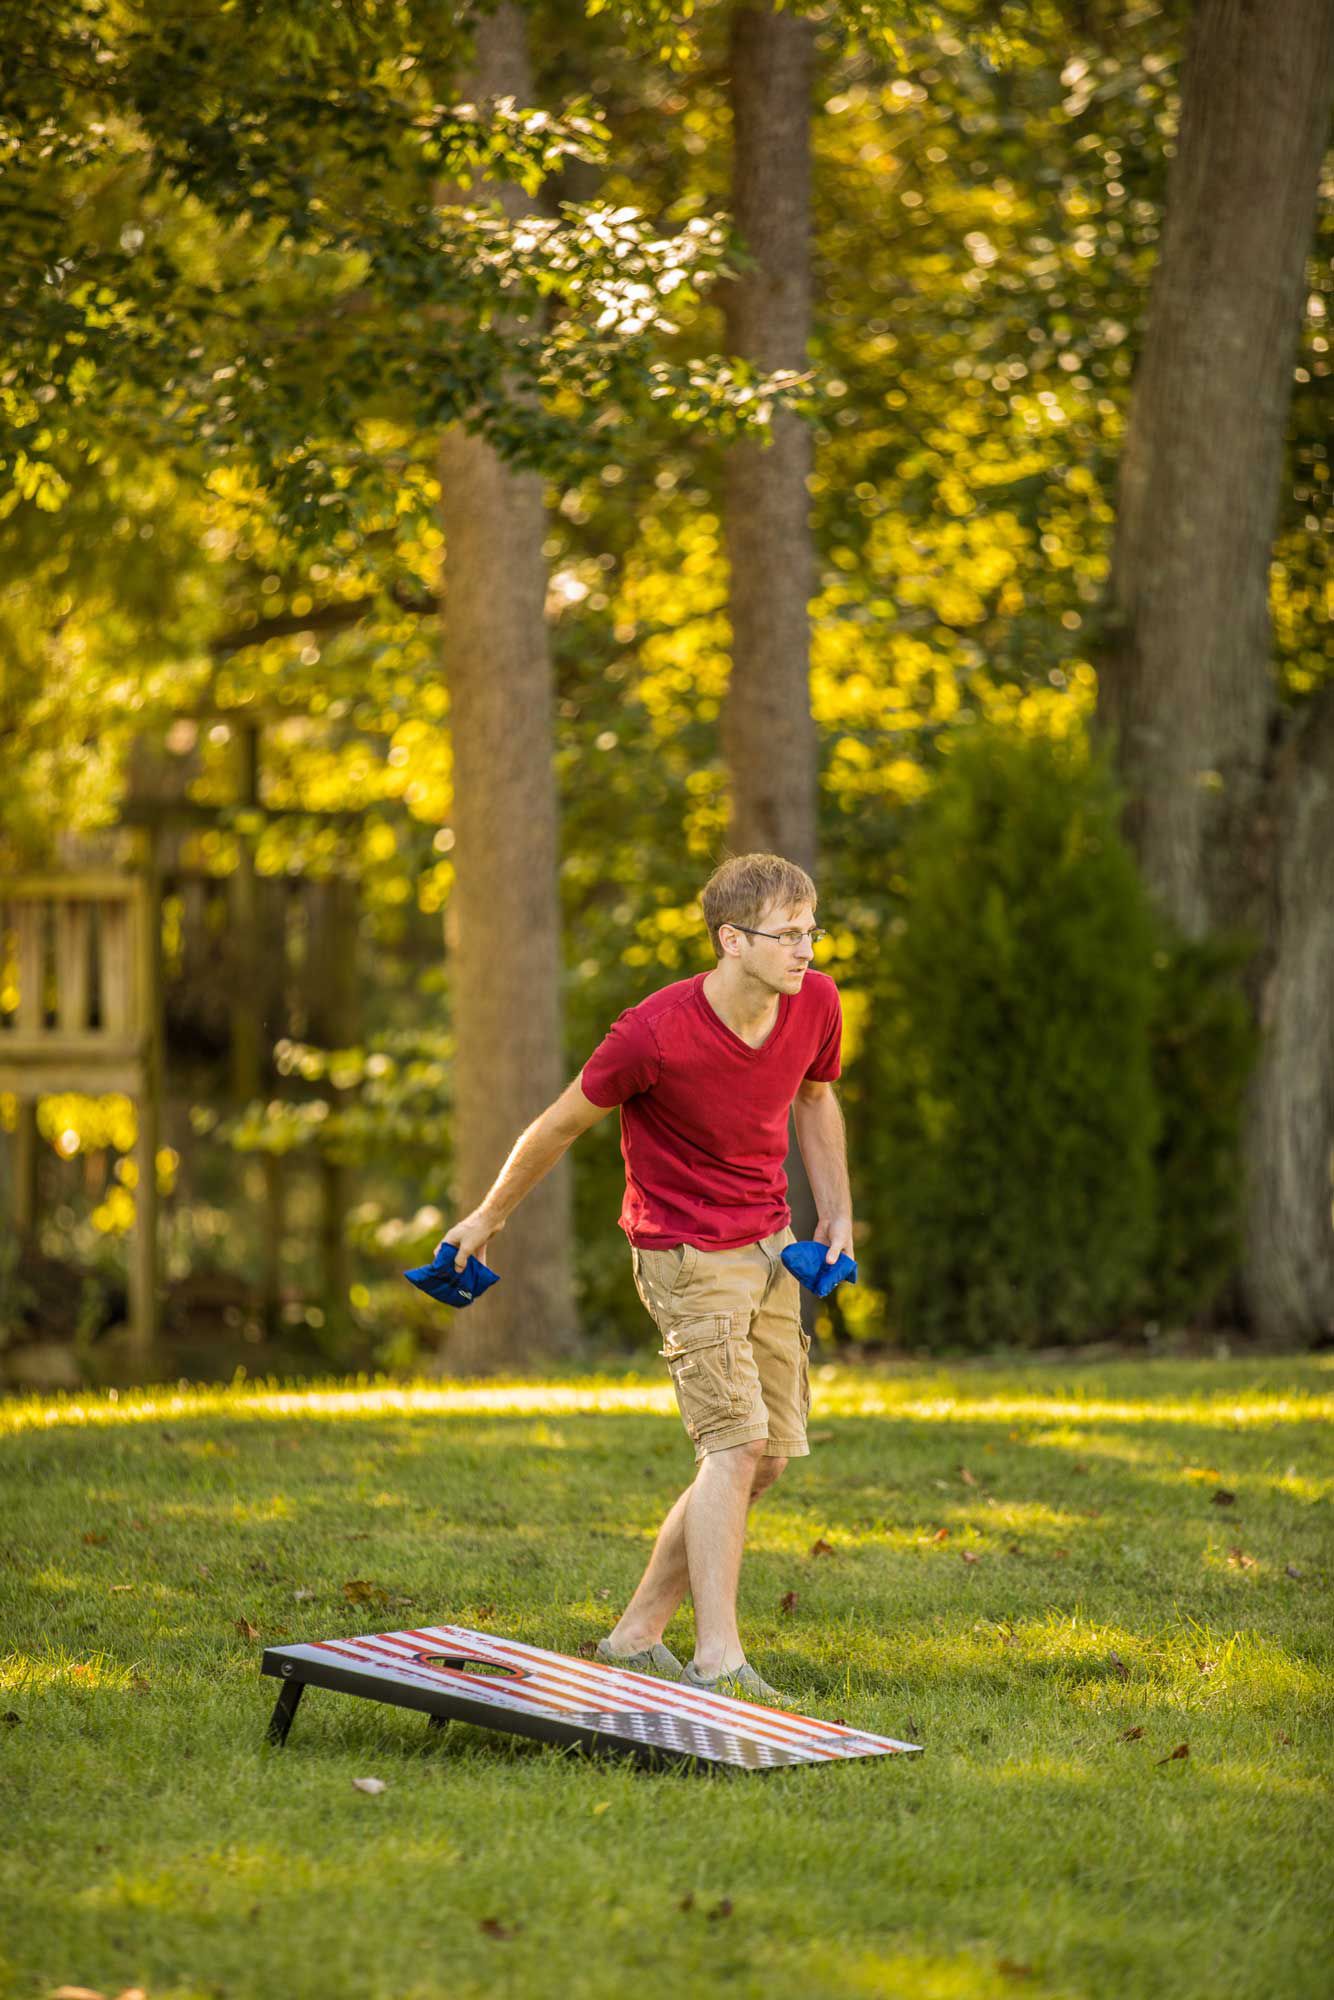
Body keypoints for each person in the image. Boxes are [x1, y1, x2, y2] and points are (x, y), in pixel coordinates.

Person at [439, 851, 854, 1700]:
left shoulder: (815, 1002)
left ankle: (634, 1637)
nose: (805, 950)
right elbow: (557, 1126)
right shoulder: (653, 1033)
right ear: (731, 940)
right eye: (787, 935)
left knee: (765, 1457)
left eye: (812, 931)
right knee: (732, 1446)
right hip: (682, 1252)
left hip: (771, 1245)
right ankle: (719, 1662)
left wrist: (836, 1212)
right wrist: (485, 1220)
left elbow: (814, 1098)